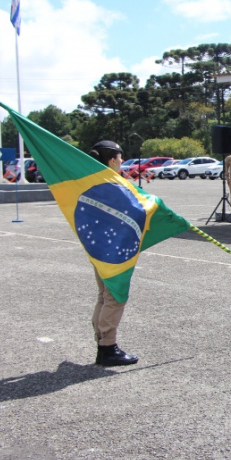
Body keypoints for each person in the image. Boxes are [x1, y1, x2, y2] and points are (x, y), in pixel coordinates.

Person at [87, 140, 138, 366]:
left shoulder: (91, 183)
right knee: (115, 296)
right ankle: (107, 347)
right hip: (113, 250)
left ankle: (101, 341)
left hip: (97, 248)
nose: (121, 161)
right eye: (119, 158)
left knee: (104, 295)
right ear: (111, 160)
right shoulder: (113, 185)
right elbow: (137, 208)